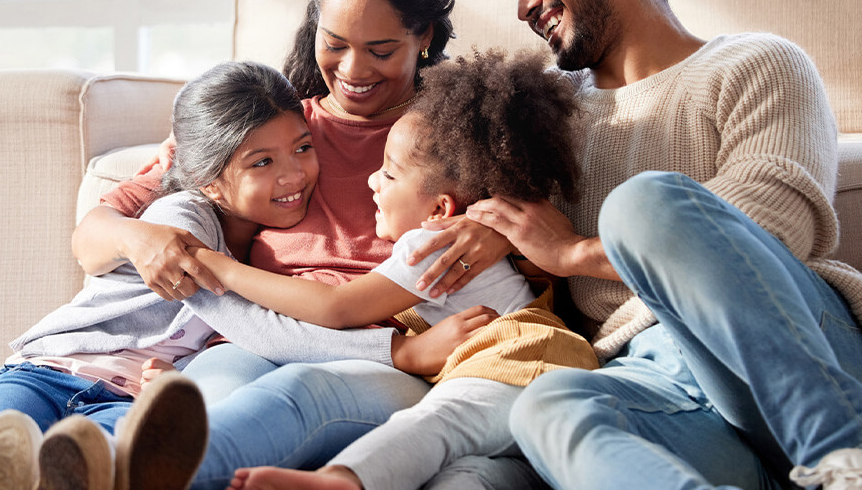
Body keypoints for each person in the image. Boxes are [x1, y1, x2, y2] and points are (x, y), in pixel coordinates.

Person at [410, 0, 862, 489]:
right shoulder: (543, 107)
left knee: (644, 203)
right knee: (546, 407)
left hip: (786, 351)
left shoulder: (757, 63)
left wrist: (576, 252)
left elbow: (773, 222)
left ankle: (858, 462)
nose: (523, 5)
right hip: (653, 380)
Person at [72, 0, 534, 490]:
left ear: (426, 37)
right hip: (252, 336)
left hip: (379, 352)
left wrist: (498, 230)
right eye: (335, 44)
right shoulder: (271, 125)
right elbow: (98, 229)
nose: (354, 71)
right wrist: (135, 238)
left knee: (296, 396)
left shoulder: (456, 135)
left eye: (381, 50)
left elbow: (543, 237)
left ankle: (113, 478)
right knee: (208, 403)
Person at [0, 61, 437, 490]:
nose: (295, 174)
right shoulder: (180, 224)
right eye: (261, 162)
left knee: (99, 463)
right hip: (48, 370)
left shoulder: (271, 245)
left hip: (130, 397)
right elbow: (253, 328)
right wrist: (395, 353)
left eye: (303, 148)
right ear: (209, 181)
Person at [166, 50, 598, 490]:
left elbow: (337, 307)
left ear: (440, 208)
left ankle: (344, 480)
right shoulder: (446, 233)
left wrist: (224, 268)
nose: (372, 181)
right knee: (453, 453)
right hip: (500, 372)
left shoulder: (430, 244)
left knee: (437, 424)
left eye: (389, 176)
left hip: (524, 359)